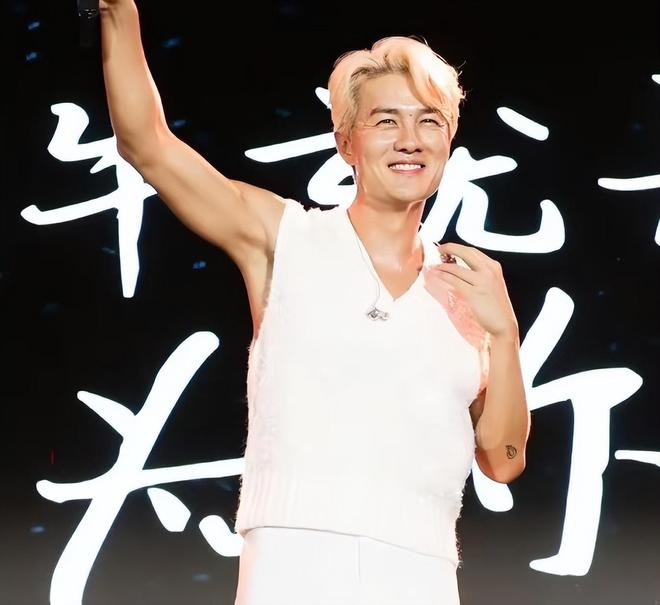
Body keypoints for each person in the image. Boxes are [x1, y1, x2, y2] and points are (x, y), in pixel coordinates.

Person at [100, 2, 530, 603]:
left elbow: (504, 459)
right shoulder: (286, 237)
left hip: (422, 572)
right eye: (386, 121)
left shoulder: (468, 286)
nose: (410, 140)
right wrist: (118, 12)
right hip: (292, 561)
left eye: (429, 121)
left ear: (449, 139)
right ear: (346, 141)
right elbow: (147, 144)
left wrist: (504, 336)